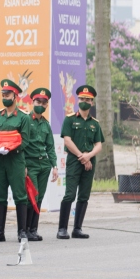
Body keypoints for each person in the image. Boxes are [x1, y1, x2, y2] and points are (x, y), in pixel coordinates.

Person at [0, 79, 34, 241]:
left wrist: (12, 148)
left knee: (20, 195)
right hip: (0, 160)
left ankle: (22, 231)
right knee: (0, 195)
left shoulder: (23, 118)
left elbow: (25, 141)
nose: (5, 97)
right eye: (3, 94)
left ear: (16, 96)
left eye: (8, 94)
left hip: (15, 160)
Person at [60, 84, 103, 239]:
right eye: (82, 99)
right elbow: (67, 140)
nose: (84, 101)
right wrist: (82, 156)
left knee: (84, 195)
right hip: (74, 161)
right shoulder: (70, 119)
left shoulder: (95, 123)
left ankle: (77, 228)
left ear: (92, 102)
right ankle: (62, 229)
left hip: (89, 163)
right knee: (70, 194)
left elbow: (99, 144)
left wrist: (89, 156)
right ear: (78, 100)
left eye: (88, 99)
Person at [24, 88, 58, 241]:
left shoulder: (46, 124)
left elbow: (50, 146)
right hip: (30, 164)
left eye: (44, 103)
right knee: (31, 196)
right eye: (38, 102)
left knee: (40, 197)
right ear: (32, 102)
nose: (41, 105)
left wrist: (54, 166)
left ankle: (33, 229)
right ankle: (25, 229)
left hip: (44, 165)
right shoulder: (26, 121)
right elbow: (22, 145)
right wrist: (23, 164)